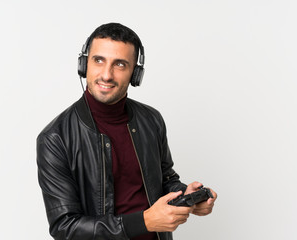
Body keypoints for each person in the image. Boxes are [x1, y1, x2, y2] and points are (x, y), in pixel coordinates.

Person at [37, 22, 217, 240]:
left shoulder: (151, 120)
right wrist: (145, 221)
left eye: (120, 64)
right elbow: (64, 227)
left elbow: (165, 179)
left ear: (135, 74)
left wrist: (187, 195)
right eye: (98, 60)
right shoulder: (56, 138)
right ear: (84, 64)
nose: (106, 75)